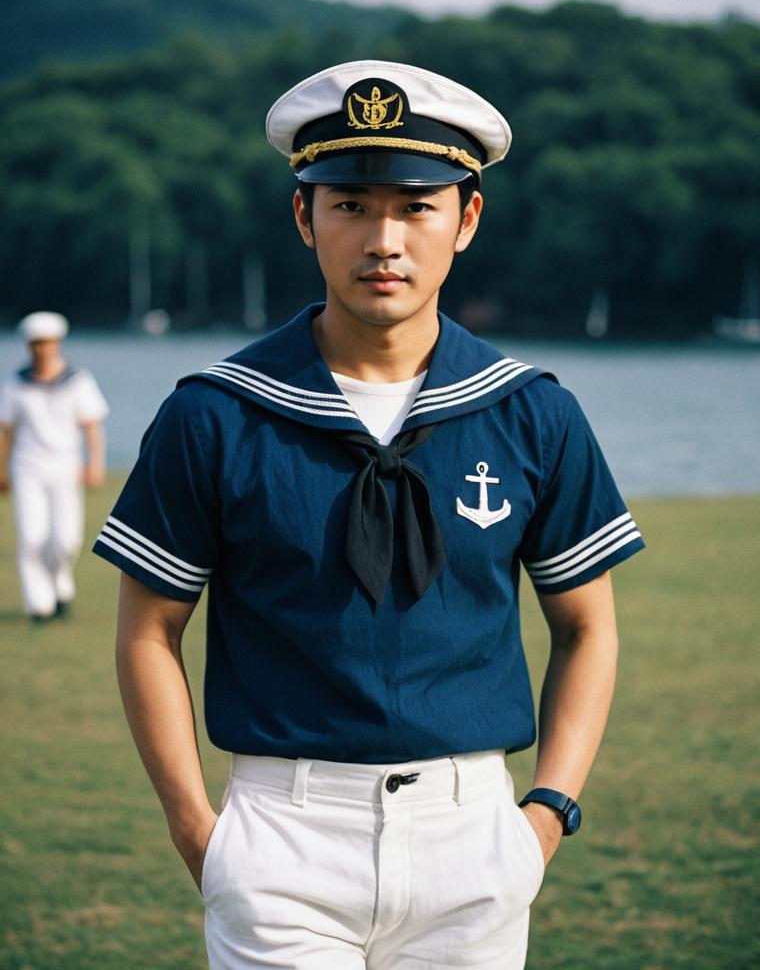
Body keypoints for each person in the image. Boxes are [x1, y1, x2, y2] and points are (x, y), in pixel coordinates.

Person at [93, 60, 644, 969]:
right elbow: (148, 630)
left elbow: (587, 627)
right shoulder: (217, 412)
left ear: (466, 220)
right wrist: (199, 829)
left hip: (473, 839)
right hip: (281, 835)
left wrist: (545, 814)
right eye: (350, 205)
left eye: (416, 206)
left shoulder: (530, 410)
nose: (383, 239)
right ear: (304, 218)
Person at [0, 311, 108, 622]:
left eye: (46, 342)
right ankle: (39, 604)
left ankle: (60, 584)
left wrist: (95, 463)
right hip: (28, 466)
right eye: (35, 343)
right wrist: (2, 468)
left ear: (57, 343)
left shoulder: (78, 381)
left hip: (65, 466)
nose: (41, 349)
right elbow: (6, 430)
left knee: (66, 540)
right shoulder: (15, 384)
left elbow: (91, 425)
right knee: (32, 536)